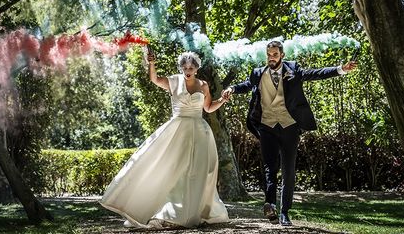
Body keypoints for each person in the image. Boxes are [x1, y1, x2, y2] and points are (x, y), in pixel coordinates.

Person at [221, 40, 357, 227]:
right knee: (270, 168)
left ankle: (284, 212)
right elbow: (247, 85)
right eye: (269, 55)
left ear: (282, 55)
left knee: (288, 170)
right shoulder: (258, 73)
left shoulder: (293, 69)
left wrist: (340, 69)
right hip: (266, 126)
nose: (271, 58)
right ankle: (270, 205)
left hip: (289, 126)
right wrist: (232, 89)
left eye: (275, 55)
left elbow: (314, 74)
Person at [99, 47, 230, 228]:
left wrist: (222, 100)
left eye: (191, 68)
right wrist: (151, 63)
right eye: (184, 68)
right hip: (178, 131)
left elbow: (207, 108)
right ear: (181, 68)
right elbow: (154, 79)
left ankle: (196, 210)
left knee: (199, 172)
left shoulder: (204, 85)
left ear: (197, 68)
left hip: (201, 132)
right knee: (175, 170)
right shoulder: (174, 81)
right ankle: (169, 212)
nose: (187, 71)